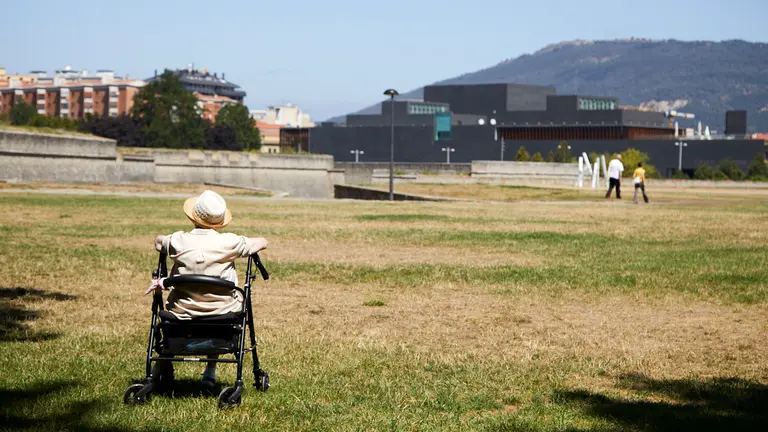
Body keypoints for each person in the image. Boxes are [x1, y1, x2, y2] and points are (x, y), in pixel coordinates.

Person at [146, 190, 268, 388]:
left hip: (181, 314)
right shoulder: (231, 242)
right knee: (219, 303)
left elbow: (159, 242)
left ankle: (160, 366)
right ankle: (210, 372)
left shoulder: (178, 240)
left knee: (177, 309)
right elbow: (262, 242)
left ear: (193, 216)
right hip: (222, 314)